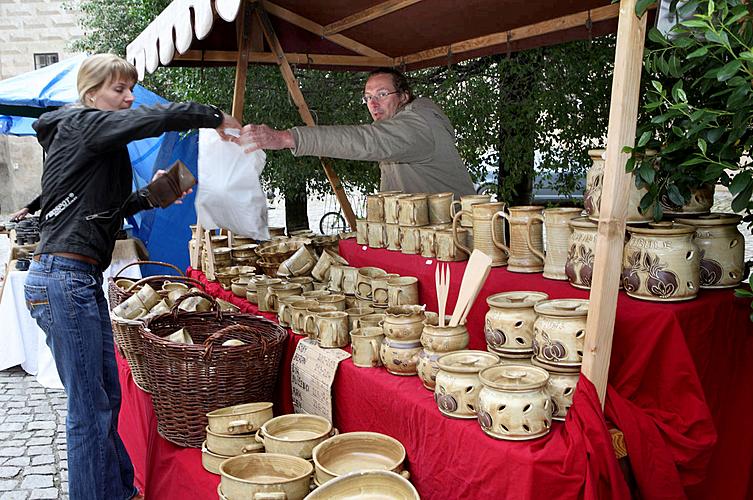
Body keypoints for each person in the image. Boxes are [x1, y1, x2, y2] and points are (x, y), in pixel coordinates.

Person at [23, 53, 240, 500]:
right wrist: (212, 116)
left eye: (130, 88)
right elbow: (152, 119)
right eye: (118, 89)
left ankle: (119, 491)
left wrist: (151, 195)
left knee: (104, 401)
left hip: (73, 279)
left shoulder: (91, 143)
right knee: (89, 411)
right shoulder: (83, 122)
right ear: (90, 93)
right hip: (64, 279)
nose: (127, 97)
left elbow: (103, 213)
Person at [240, 68, 476, 199]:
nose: (373, 103)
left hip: (457, 242)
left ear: (403, 96)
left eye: (382, 94)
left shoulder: (419, 124)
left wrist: (286, 138)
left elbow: (365, 141)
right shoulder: (394, 126)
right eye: (368, 97)